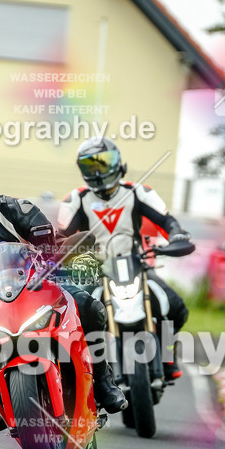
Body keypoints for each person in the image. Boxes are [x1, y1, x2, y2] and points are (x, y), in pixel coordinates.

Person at [0, 153, 126, 432]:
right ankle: (3, 394)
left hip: (38, 288)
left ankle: (103, 381)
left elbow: (50, 248)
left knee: (91, 308)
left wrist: (74, 261)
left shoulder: (15, 208)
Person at [57, 136, 192, 379]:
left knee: (175, 305)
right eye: (90, 166)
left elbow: (168, 221)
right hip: (95, 270)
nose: (98, 172)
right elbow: (59, 237)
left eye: (103, 163)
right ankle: (91, 373)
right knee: (78, 314)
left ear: (118, 162)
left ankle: (166, 352)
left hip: (135, 263)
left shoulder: (138, 191)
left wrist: (178, 235)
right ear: (82, 170)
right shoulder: (75, 199)